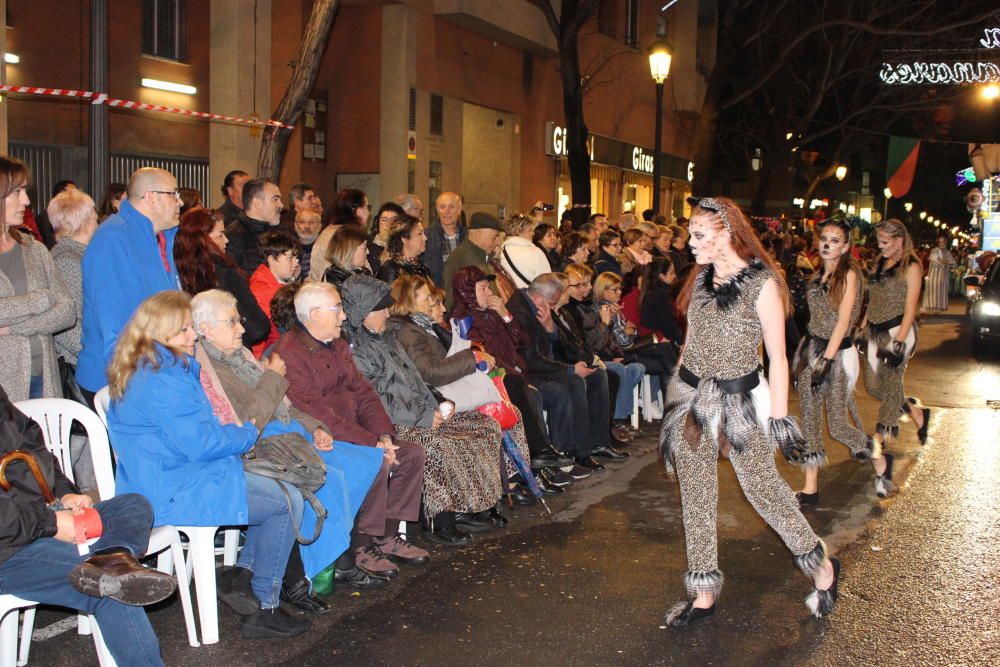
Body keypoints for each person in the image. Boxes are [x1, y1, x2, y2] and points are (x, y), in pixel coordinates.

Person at [660, 196, 839, 628]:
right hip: (690, 400)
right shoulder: (700, 279)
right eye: (691, 233)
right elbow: (692, 342)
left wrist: (779, 420)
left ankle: (820, 566)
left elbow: (777, 357)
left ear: (727, 234)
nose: (690, 242)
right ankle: (703, 593)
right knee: (697, 496)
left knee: (764, 489)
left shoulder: (763, 284)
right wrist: (676, 393)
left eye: (699, 234)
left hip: (738, 403)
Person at [106, 290, 309, 638]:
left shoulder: (155, 366)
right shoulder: (162, 378)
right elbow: (204, 443)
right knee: (287, 501)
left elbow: (195, 438)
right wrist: (247, 434)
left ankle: (241, 576)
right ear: (159, 332)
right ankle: (265, 605)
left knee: (280, 493)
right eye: (185, 330)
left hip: (170, 476)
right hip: (175, 488)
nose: (194, 335)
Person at [190, 289, 394, 598]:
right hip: (264, 443)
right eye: (232, 322)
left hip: (290, 431)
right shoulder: (207, 370)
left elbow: (286, 404)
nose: (243, 329)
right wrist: (272, 377)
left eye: (239, 320)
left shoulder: (240, 356)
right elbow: (248, 420)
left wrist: (316, 427)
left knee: (365, 460)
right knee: (331, 475)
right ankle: (324, 564)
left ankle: (339, 556)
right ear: (206, 329)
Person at [0, 385, 175, 666]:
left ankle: (114, 557)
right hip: (9, 551)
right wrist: (50, 523)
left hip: (38, 517)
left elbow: (33, 447)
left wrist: (63, 492)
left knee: (133, 505)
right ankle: (111, 570)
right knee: (110, 588)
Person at [341, 274, 511, 540]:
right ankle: (440, 520)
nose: (387, 311)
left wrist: (437, 403)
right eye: (381, 308)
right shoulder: (356, 351)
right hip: (394, 423)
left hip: (419, 412)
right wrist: (422, 416)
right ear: (363, 312)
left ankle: (476, 504)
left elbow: (415, 380)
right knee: (436, 444)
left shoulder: (387, 338)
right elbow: (375, 400)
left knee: (484, 426)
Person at [271, 283, 430, 553]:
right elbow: (318, 415)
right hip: (327, 440)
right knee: (376, 461)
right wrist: (372, 444)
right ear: (315, 313)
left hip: (358, 433)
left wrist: (383, 435)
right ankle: (362, 546)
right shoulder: (289, 355)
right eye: (338, 309)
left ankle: (387, 537)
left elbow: (365, 394)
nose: (344, 316)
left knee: (411, 454)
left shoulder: (338, 345)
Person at [794, 218, 891, 506]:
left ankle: (878, 455)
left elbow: (844, 321)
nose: (827, 243)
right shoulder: (814, 277)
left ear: (846, 246)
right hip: (811, 350)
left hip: (835, 355)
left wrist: (826, 360)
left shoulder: (848, 275)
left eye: (835, 240)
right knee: (809, 421)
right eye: (824, 237)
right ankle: (810, 488)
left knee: (837, 424)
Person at [77, 167, 182, 402]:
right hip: (121, 382)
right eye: (173, 194)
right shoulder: (112, 240)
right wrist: (138, 391)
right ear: (151, 197)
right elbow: (117, 328)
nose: (180, 202)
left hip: (158, 370)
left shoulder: (159, 239)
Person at [507, 273, 615, 471]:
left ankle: (597, 443)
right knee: (572, 383)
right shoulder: (520, 313)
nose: (555, 306)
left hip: (546, 365)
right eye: (553, 302)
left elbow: (558, 346)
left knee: (597, 376)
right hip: (531, 373)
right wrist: (570, 369)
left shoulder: (540, 307)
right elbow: (532, 360)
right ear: (540, 298)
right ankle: (572, 453)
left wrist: (550, 330)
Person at [0, 157, 76, 401]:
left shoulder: (34, 249)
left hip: (42, 377)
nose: (27, 201)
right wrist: (40, 300)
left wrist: (14, 327)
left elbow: (67, 311)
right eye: (16, 192)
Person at [861, 219, 930, 448]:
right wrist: (863, 325)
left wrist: (899, 341)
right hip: (873, 331)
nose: (879, 245)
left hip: (898, 330)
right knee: (872, 385)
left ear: (899, 241)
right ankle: (913, 411)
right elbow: (872, 298)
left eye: (884, 241)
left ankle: (880, 441)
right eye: (879, 240)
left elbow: (911, 307)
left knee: (891, 384)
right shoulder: (880, 262)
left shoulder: (912, 266)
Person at [562, 264, 644, 438]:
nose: (588, 288)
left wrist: (618, 344)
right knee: (614, 372)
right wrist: (607, 323)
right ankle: (615, 422)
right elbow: (594, 343)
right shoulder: (586, 309)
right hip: (589, 358)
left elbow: (619, 340)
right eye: (583, 284)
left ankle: (619, 420)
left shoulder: (588, 307)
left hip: (604, 354)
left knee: (636, 367)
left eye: (588, 283)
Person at [174, 208, 271, 348]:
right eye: (220, 235)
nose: (226, 240)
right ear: (203, 240)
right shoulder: (226, 275)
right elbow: (258, 328)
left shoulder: (179, 274)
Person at [48, 189, 98, 381]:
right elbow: (68, 324)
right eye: (94, 217)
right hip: (78, 365)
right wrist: (92, 357)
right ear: (85, 222)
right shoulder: (68, 260)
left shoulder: (78, 256)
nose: (97, 222)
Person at [249, 230, 301, 357]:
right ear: (272, 260)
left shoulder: (275, 283)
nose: (296, 262)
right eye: (290, 258)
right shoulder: (263, 292)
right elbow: (270, 335)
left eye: (296, 257)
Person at [443, 212, 503, 309]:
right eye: (494, 236)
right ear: (478, 233)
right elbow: (454, 301)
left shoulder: (481, 256)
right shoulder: (464, 258)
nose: (497, 242)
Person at [225, 178, 285, 274]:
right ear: (257, 203)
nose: (281, 205)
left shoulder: (280, 233)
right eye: (275, 199)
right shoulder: (232, 238)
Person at [310, 189, 370, 280]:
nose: (369, 212)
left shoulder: (330, 230)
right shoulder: (347, 237)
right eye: (367, 207)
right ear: (357, 210)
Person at [424, 192, 467, 286]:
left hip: (464, 296)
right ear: (437, 210)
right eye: (442, 207)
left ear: (459, 210)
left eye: (451, 207)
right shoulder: (425, 237)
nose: (447, 211)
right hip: (438, 295)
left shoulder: (469, 237)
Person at [499, 213, 551, 288]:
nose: (533, 234)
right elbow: (547, 283)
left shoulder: (501, 252)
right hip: (531, 298)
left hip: (510, 298)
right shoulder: (535, 252)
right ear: (517, 231)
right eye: (530, 230)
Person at [376, 214, 431, 284]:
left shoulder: (421, 267)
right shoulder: (390, 270)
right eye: (420, 234)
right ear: (404, 239)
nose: (425, 238)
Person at [368, 202, 405, 278]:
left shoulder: (405, 245)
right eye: (384, 220)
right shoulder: (368, 246)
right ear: (378, 223)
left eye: (393, 220)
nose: (388, 224)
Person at [923, 235, 955, 312]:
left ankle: (940, 306)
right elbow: (935, 261)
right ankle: (930, 306)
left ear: (946, 243)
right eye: (940, 242)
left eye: (943, 242)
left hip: (943, 277)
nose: (942, 244)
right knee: (932, 291)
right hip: (933, 276)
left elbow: (953, 263)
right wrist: (945, 262)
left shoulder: (947, 252)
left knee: (942, 292)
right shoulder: (934, 251)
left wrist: (945, 262)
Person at [292, 208, 322, 280]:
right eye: (302, 222)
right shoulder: (290, 248)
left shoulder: (325, 248)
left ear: (319, 226)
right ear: (295, 225)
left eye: (311, 222)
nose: (307, 226)